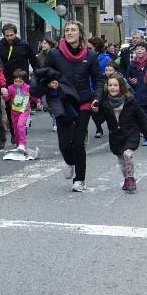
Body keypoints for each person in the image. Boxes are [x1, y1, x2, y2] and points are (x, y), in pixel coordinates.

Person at [44, 21, 102, 192]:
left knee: (78, 142)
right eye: (67, 30)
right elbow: (43, 74)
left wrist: (97, 97)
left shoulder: (90, 55)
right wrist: (49, 83)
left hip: (84, 102)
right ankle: (69, 161)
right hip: (63, 102)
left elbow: (99, 79)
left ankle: (80, 180)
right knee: (64, 144)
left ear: (80, 33)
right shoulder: (55, 54)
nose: (69, 33)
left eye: (73, 30)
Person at [94, 73, 147, 194]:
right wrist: (95, 111)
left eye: (115, 85)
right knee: (121, 160)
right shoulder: (105, 103)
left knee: (127, 154)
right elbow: (100, 119)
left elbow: (141, 117)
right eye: (110, 85)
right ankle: (126, 179)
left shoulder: (130, 100)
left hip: (130, 132)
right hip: (115, 135)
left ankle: (130, 179)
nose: (112, 88)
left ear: (121, 86)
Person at [4, 69, 32, 153]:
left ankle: (22, 143)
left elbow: (33, 95)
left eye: (20, 82)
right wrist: (4, 95)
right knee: (16, 129)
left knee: (20, 125)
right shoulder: (11, 88)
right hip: (14, 111)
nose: (17, 83)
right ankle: (18, 145)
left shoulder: (27, 88)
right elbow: (7, 98)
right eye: (16, 81)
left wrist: (37, 101)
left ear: (24, 81)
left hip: (24, 110)